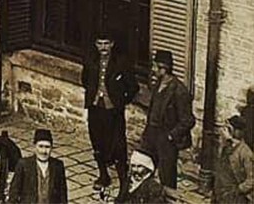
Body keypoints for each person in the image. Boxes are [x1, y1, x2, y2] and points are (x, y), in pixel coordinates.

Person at [82, 33, 138, 195]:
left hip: (113, 111)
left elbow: (133, 87)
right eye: (99, 43)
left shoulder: (121, 63)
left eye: (106, 43)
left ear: (112, 44)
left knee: (118, 145)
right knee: (97, 142)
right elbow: (85, 80)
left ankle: (123, 183)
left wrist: (121, 101)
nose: (103, 47)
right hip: (95, 108)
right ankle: (103, 175)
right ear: (95, 44)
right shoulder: (91, 60)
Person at [142, 49, 194, 189]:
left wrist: (171, 136)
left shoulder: (179, 91)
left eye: (155, 66)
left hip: (166, 138)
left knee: (167, 177)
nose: (153, 69)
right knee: (143, 169)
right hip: (151, 133)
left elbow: (188, 120)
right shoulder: (157, 84)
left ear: (163, 69)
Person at [7, 128, 68, 203]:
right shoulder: (24, 165)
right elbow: (14, 194)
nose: (43, 151)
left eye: (47, 147)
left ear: (52, 148)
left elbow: (63, 195)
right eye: (40, 146)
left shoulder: (58, 166)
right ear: (34, 147)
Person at [215, 114, 254, 203]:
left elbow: (251, 180)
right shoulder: (225, 145)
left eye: (229, 128)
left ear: (237, 131)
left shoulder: (246, 153)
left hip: (235, 197)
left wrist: (237, 191)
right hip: (220, 193)